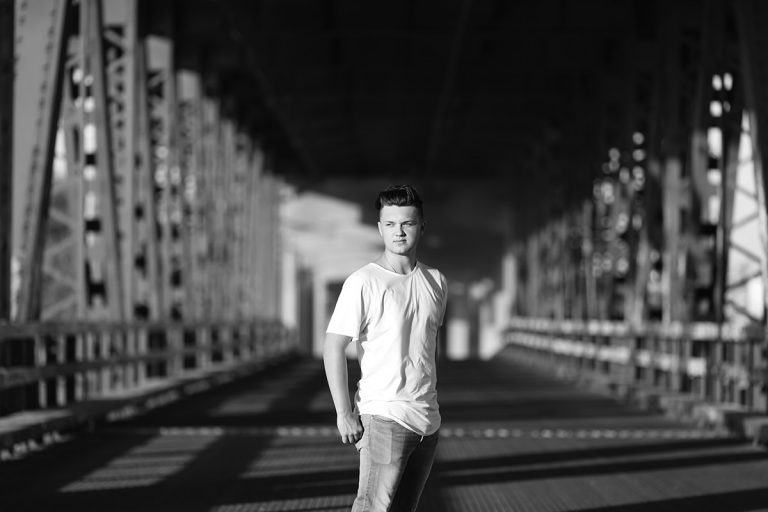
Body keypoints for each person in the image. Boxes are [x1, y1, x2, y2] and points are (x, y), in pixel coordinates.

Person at [323, 184, 448, 512]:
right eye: (390, 224)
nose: (399, 232)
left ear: (422, 226)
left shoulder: (437, 282)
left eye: (407, 223)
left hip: (427, 420)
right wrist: (343, 414)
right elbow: (333, 346)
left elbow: (425, 348)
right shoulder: (364, 282)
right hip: (384, 416)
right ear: (379, 228)